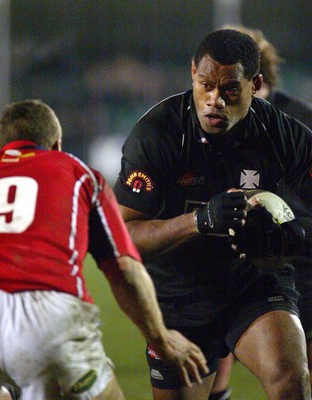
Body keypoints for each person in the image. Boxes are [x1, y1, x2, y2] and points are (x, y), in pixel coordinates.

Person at [113, 29, 312, 400]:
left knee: (291, 381)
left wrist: (297, 232)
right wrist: (199, 221)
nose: (214, 100)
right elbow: (122, 236)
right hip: (179, 295)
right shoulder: (159, 133)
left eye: (230, 89)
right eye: (205, 85)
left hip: (253, 283)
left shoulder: (280, 131)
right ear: (193, 73)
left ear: (255, 85)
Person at [0, 99, 209, 400]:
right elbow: (125, 269)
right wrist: (161, 339)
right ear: (57, 144)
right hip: (48, 313)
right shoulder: (78, 174)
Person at [208, 25, 312, 400]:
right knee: (216, 349)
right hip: (227, 248)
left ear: (257, 79)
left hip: (292, 254)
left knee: (295, 364)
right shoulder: (210, 119)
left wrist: (289, 228)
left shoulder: (295, 122)